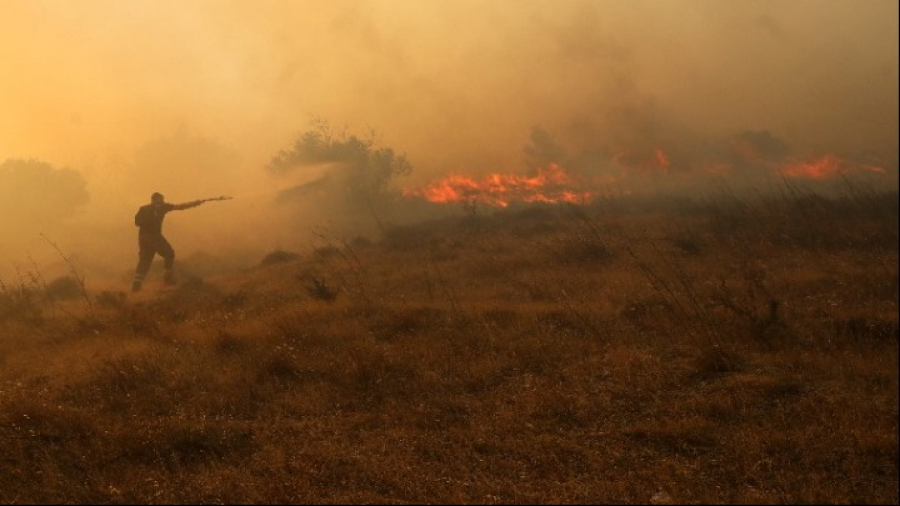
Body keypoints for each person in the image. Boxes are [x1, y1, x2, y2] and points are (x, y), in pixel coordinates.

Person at [131, 192, 204, 292]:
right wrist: (196, 203)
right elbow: (181, 206)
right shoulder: (162, 207)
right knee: (169, 253)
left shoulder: (143, 208)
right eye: (160, 199)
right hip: (154, 236)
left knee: (144, 262)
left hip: (143, 238)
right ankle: (168, 280)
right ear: (158, 199)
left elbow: (137, 222)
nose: (161, 201)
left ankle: (136, 286)